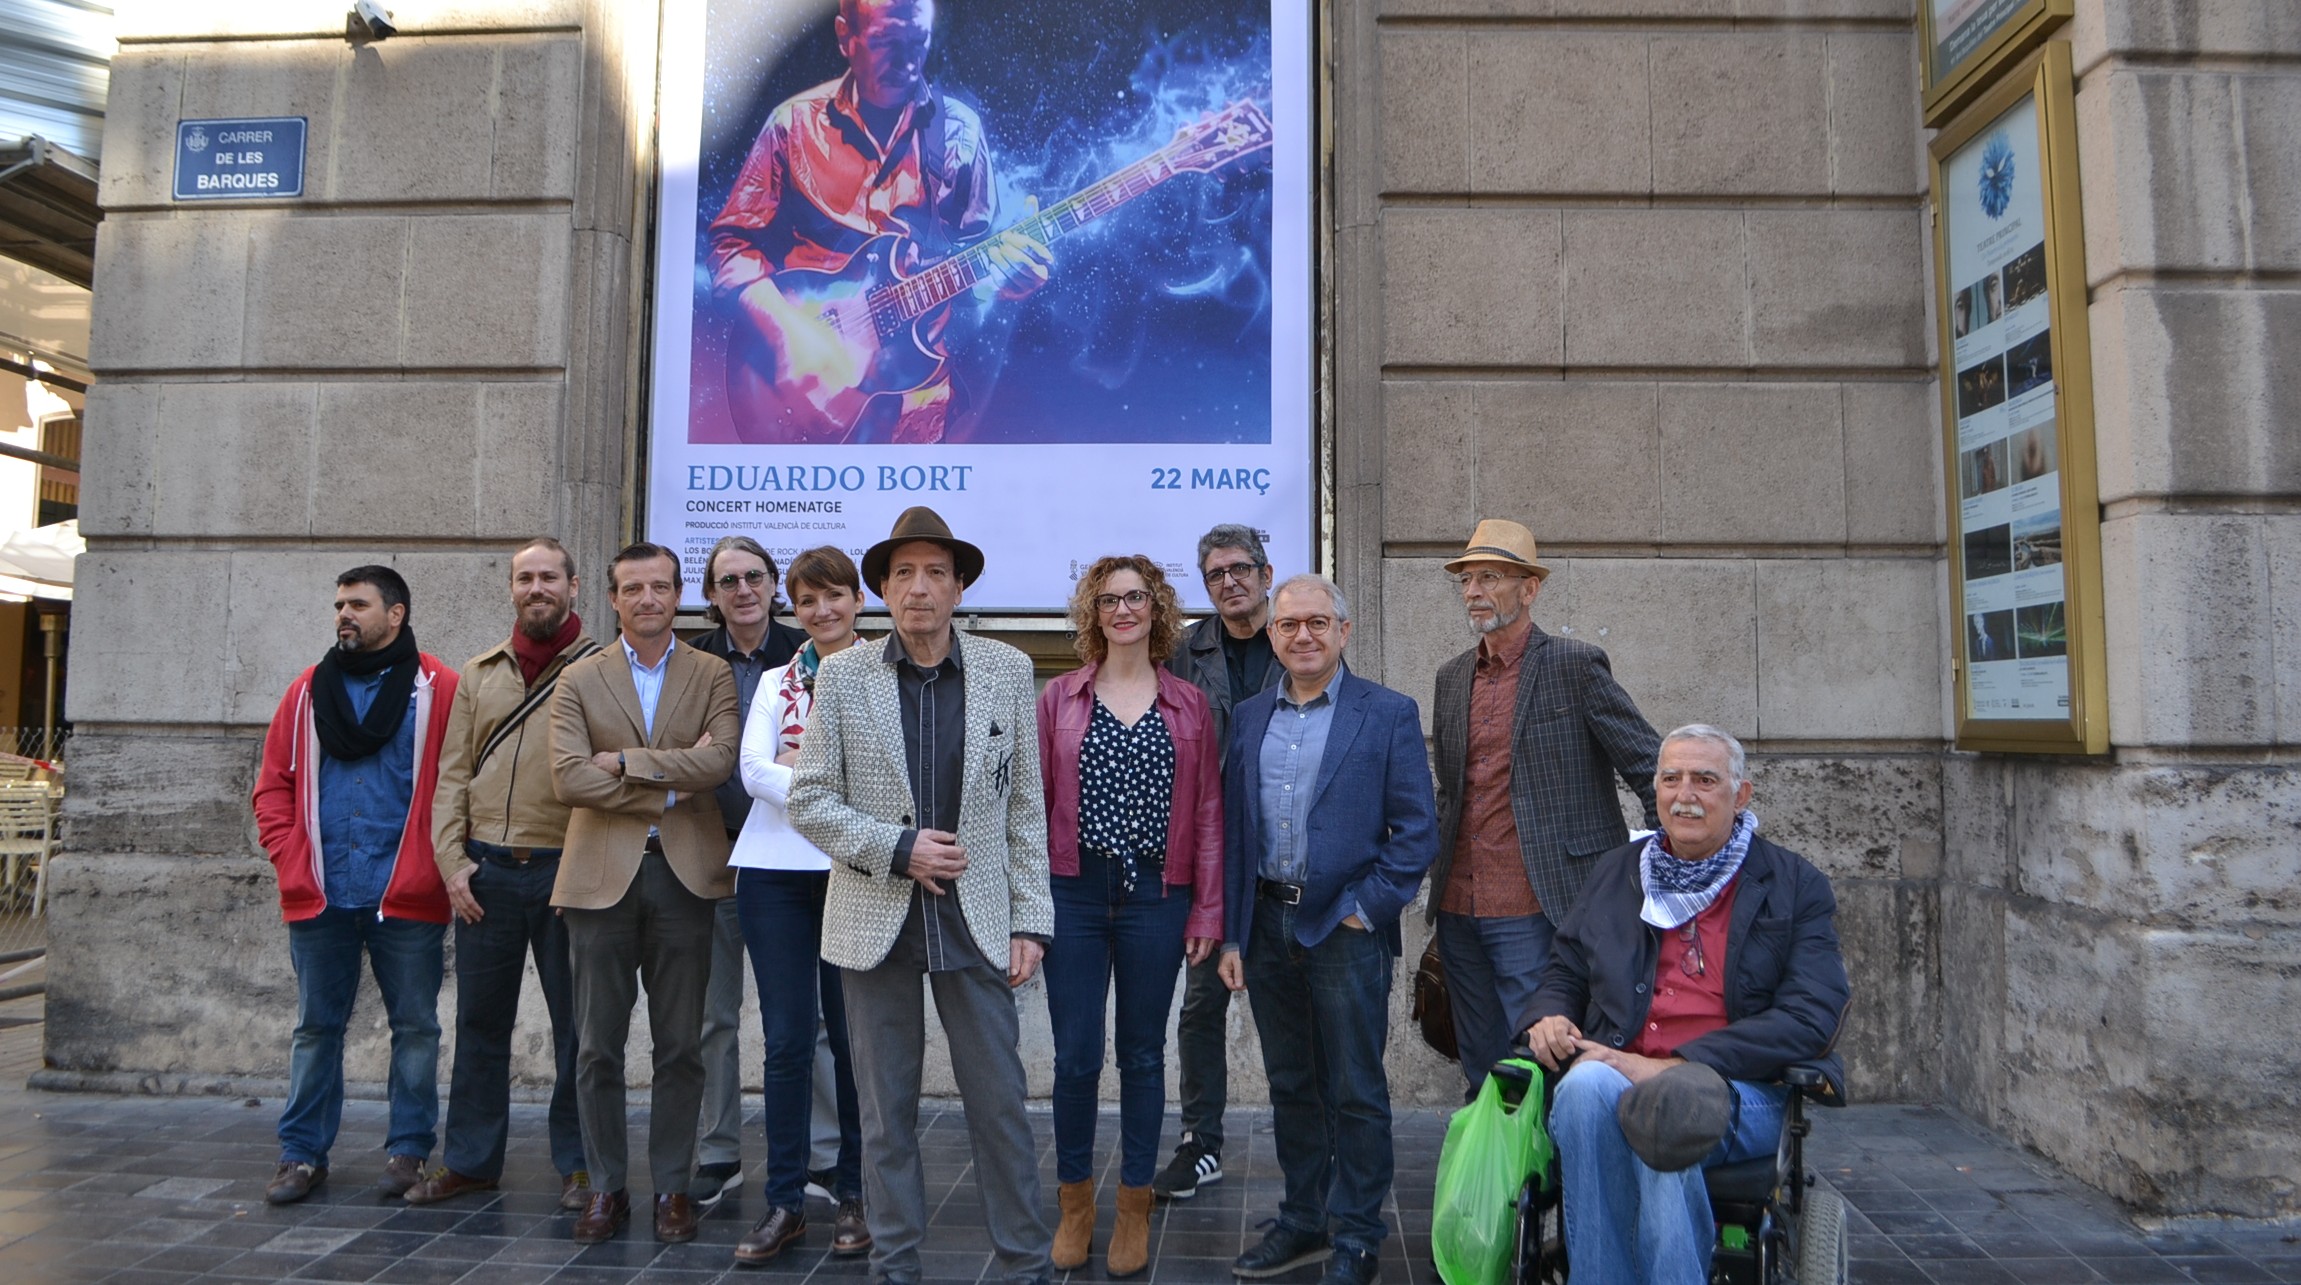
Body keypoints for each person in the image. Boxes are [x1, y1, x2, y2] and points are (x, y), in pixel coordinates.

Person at [788, 506, 1055, 1285]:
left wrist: (1031, 920)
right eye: (903, 572)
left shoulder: (1006, 669)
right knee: (884, 1116)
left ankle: (1024, 1264)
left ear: (959, 584)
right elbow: (809, 800)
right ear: (881, 589)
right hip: (875, 921)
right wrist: (897, 847)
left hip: (976, 923)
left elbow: (1024, 808)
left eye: (935, 571)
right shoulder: (840, 675)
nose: (919, 587)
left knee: (1001, 1108)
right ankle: (895, 1267)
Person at [1522, 725, 1850, 1285]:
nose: (1685, 794)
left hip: (1740, 1087)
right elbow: (1566, 966)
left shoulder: (1793, 885)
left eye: (1705, 779)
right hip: (1620, 1064)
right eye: (1671, 779)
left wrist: (1677, 1065)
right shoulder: (1618, 872)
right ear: (1656, 792)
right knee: (1580, 1088)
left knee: (1669, 1110)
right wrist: (1549, 1014)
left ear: (1740, 795)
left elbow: (1811, 1016)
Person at [1219, 574, 1438, 1285]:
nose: (1303, 635)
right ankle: (1304, 1216)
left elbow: (1415, 830)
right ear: (1272, 635)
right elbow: (1230, 831)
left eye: (1317, 622)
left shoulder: (1387, 713)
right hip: (1265, 922)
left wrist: (1364, 908)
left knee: (1353, 1085)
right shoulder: (1249, 717)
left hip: (1344, 927)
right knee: (1290, 1081)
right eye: (1288, 625)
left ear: (1343, 631)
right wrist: (1230, 933)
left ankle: (1357, 1231)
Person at [707, 0, 1052, 444]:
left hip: (916, 401)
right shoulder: (792, 124)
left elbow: (971, 275)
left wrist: (1004, 280)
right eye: (887, 42)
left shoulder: (960, 132)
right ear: (844, 36)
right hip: (798, 388)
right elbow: (729, 246)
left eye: (918, 42)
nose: (907, 63)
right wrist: (786, 330)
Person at [548, 542, 741, 1245]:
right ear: (612, 597)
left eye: (660, 586)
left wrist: (626, 763)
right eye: (634, 588)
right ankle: (604, 1186)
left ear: (679, 593)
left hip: (685, 875)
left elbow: (719, 760)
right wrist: (667, 786)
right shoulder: (580, 678)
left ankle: (672, 1187)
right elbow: (568, 778)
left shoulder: (711, 671)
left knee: (680, 1045)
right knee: (596, 1044)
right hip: (600, 879)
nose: (648, 599)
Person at [1427, 520, 1659, 1093]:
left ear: (1529, 589)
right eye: (1466, 579)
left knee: (1541, 1054)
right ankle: (1498, 1175)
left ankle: (1553, 1178)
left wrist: (1668, 874)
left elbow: (1649, 767)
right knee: (1480, 1060)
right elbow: (1451, 792)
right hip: (1460, 903)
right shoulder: (1452, 677)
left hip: (1540, 901)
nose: (1474, 591)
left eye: (1490, 577)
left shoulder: (1575, 665)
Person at [1038, 556, 1223, 1276]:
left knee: (1143, 1055)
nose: (1122, 609)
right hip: (1074, 891)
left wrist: (1206, 906)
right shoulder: (1059, 696)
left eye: (1135, 596)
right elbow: (1036, 805)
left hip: (1156, 891)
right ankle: (1076, 1205)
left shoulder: (1187, 702)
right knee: (1076, 1055)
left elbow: (1207, 809)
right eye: (1108, 598)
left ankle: (1134, 1207)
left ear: (1156, 608)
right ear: (1092, 610)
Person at [251, 566, 458, 1205]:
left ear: (395, 614)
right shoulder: (308, 693)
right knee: (316, 1028)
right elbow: (272, 787)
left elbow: (461, 785)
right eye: (339, 603)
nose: (344, 613)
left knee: (416, 1029)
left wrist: (442, 864)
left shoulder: (439, 688)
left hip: (407, 892)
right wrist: (290, 857)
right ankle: (301, 1155)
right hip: (322, 891)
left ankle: (408, 1151)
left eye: (358, 604)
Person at [404, 538, 600, 1210]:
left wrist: (585, 869)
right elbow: (451, 773)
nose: (536, 587)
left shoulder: (602, 669)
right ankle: (469, 1161)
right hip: (486, 872)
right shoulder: (481, 672)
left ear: (574, 586)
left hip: (565, 873)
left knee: (580, 1029)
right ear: (511, 588)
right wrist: (452, 860)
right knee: (480, 1026)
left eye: (549, 575)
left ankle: (580, 1163)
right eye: (525, 578)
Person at [726, 546, 872, 1265]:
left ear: (857, 599)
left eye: (835, 595)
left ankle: (853, 1192)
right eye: (808, 599)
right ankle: (784, 1200)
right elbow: (752, 770)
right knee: (785, 1041)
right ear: (795, 607)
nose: (823, 609)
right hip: (773, 875)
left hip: (853, 875)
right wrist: (829, 788)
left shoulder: (884, 673)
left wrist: (805, 782)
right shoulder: (779, 680)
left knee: (852, 1041)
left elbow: (888, 774)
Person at [1155, 523, 1281, 1200]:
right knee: (1200, 1004)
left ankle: (1312, 1140)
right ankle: (1199, 1142)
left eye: (1239, 569)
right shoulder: (1181, 653)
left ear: (1265, 572)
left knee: (1297, 1006)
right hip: (1209, 856)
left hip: (1286, 854)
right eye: (1214, 574)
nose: (1228, 582)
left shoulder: (1298, 633)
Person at [689, 535, 809, 1210]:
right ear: (711, 592)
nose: (742, 589)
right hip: (709, 850)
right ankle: (718, 1149)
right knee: (716, 1014)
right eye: (727, 579)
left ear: (772, 584)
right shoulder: (691, 659)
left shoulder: (806, 650)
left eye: (753, 576)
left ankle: (819, 1154)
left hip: (791, 855)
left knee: (809, 1020)